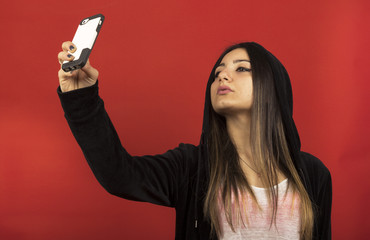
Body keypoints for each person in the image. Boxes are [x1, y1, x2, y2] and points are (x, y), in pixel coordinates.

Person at [57, 41, 332, 239]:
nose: (222, 75)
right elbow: (119, 175)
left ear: (272, 87)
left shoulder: (312, 174)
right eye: (218, 72)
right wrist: (81, 96)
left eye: (242, 69)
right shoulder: (191, 167)